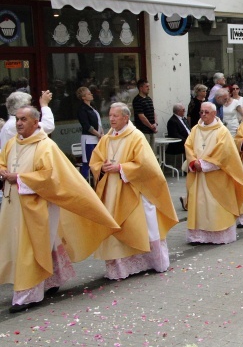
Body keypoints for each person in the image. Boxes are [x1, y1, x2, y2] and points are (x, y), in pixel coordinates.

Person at [0, 106, 119, 312]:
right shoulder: (12, 143)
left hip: (39, 205)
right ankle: (52, 279)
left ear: (36, 122)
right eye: (17, 119)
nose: (19, 123)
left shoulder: (45, 146)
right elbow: (3, 161)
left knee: (31, 246)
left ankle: (28, 294)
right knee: (36, 243)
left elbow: (50, 177)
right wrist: (3, 170)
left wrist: (18, 178)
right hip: (14, 206)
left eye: (24, 119)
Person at [91, 102, 179, 280]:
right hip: (111, 192)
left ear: (126, 117)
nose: (112, 119)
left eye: (116, 115)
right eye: (110, 115)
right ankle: (121, 268)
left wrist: (121, 168)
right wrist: (103, 167)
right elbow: (95, 161)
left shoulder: (136, 137)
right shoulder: (107, 138)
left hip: (133, 190)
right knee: (115, 228)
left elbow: (146, 165)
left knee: (140, 226)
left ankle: (150, 262)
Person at [185, 102, 243, 243]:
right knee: (200, 206)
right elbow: (188, 146)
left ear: (214, 114)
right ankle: (199, 235)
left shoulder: (222, 131)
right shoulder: (196, 129)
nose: (203, 115)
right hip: (198, 176)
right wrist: (193, 162)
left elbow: (224, 153)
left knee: (215, 206)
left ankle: (219, 235)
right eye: (201, 112)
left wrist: (203, 164)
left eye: (206, 112)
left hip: (216, 176)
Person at [76, 86, 103, 180]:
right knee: (87, 161)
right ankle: (84, 182)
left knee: (97, 161)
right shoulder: (82, 109)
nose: (91, 94)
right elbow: (87, 126)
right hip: (88, 139)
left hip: (97, 137)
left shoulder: (92, 107)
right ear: (83, 97)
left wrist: (101, 133)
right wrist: (98, 134)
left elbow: (98, 122)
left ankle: (97, 180)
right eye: (88, 94)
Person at [132, 79, 157, 150]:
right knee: (145, 150)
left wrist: (155, 124)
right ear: (141, 88)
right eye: (146, 86)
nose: (148, 88)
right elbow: (141, 116)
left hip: (152, 130)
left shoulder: (149, 99)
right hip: (143, 130)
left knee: (152, 151)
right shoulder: (137, 100)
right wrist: (150, 126)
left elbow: (153, 112)